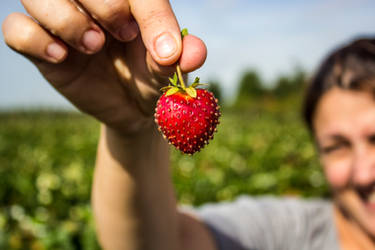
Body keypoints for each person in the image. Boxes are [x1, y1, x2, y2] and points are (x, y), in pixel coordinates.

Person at [2, 1, 375, 250]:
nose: (363, 172)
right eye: (335, 146)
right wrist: (130, 129)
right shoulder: (295, 234)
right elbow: (159, 243)